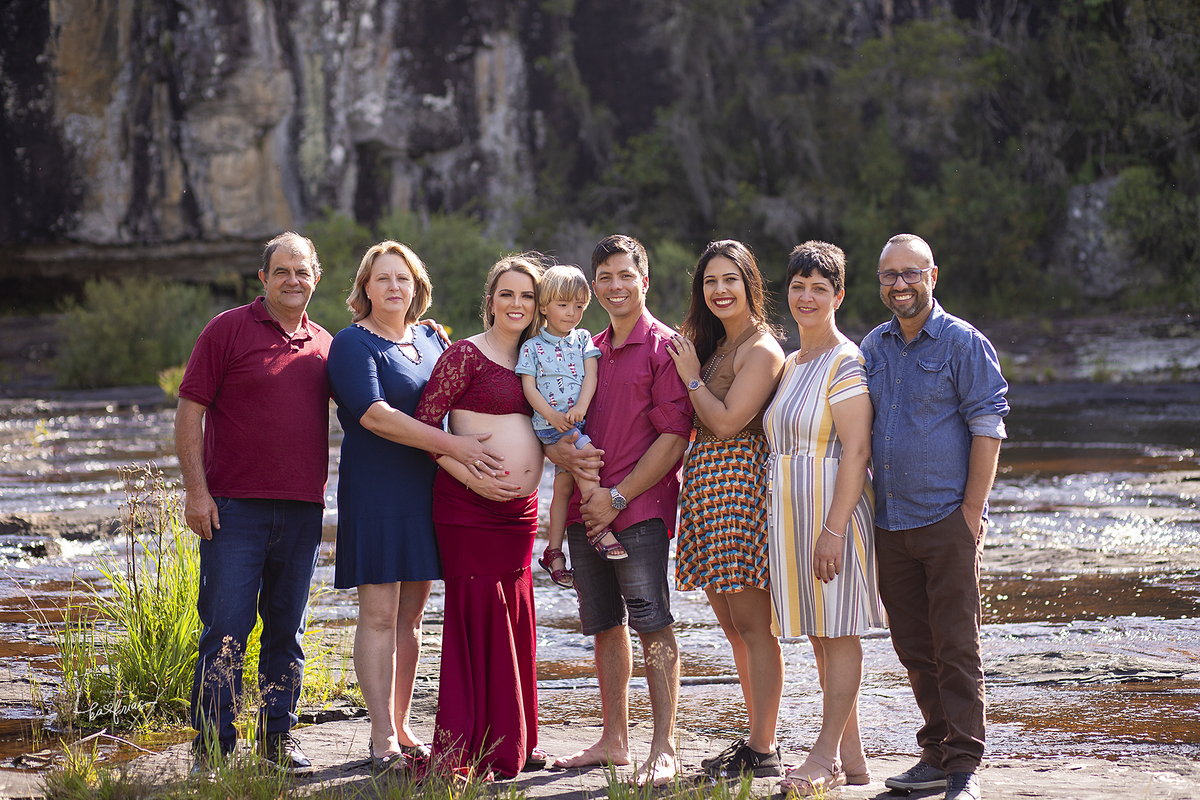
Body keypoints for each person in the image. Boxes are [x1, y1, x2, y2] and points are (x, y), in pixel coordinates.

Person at [325, 241, 505, 773]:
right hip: (379, 492)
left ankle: (403, 725)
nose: (394, 288)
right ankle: (381, 737)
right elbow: (375, 416)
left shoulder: (432, 338)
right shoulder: (351, 344)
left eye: (403, 279)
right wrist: (456, 447)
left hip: (432, 491)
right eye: (383, 279)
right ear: (364, 288)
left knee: (413, 617)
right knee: (379, 614)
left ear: (417, 287)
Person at [176, 232, 331, 773]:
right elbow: (189, 413)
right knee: (224, 631)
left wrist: (425, 339)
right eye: (282, 271)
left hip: (302, 511)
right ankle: (212, 748)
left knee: (287, 631)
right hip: (233, 510)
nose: (293, 280)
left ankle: (277, 740)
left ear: (316, 277)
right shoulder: (227, 329)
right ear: (263, 278)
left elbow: (376, 398)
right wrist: (198, 493)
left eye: (303, 271)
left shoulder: (326, 345)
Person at [861, 234, 1009, 800]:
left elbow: (988, 425)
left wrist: (971, 513)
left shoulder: (962, 343)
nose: (899, 284)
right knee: (914, 647)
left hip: (947, 519)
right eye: (889, 275)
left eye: (910, 273)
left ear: (933, 276)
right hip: (890, 523)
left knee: (956, 645)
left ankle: (964, 768)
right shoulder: (873, 347)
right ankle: (936, 751)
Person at [547, 234, 693, 787]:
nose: (614, 286)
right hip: (587, 508)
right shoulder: (586, 348)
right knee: (604, 625)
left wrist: (620, 497)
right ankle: (614, 739)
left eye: (625, 275)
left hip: (639, 509)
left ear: (645, 280)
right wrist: (558, 455)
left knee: (653, 624)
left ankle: (665, 746)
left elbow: (674, 438)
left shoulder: (665, 348)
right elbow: (563, 423)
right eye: (603, 276)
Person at [414, 253, 549, 779]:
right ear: (489, 300)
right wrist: (474, 479)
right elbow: (427, 430)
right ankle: (466, 747)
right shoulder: (465, 356)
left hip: (520, 514)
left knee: (514, 615)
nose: (517, 304)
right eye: (507, 294)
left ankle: (514, 739)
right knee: (474, 615)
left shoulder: (541, 359)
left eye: (527, 296)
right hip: (467, 507)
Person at [766, 241, 886, 795]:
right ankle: (853, 759)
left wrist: (833, 530)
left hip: (830, 517)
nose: (806, 297)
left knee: (838, 635)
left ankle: (824, 756)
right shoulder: (792, 363)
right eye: (798, 286)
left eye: (819, 288)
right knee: (820, 636)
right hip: (792, 515)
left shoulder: (846, 359)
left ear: (839, 295)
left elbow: (857, 452)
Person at [664, 240, 786, 778]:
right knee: (733, 627)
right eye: (710, 281)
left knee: (755, 626)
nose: (719, 290)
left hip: (741, 489)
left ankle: (764, 748)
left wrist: (691, 377)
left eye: (730, 280)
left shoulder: (760, 349)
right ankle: (754, 739)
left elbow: (729, 422)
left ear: (749, 285)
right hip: (707, 491)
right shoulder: (712, 345)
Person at [517, 265, 618, 591]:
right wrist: (552, 415)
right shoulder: (533, 346)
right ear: (544, 306)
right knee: (588, 460)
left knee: (562, 489)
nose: (572, 313)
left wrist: (580, 409)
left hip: (576, 418)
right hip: (551, 425)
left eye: (578, 306)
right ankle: (599, 528)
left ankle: (553, 551)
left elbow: (591, 376)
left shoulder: (584, 338)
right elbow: (529, 388)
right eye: (563, 305)